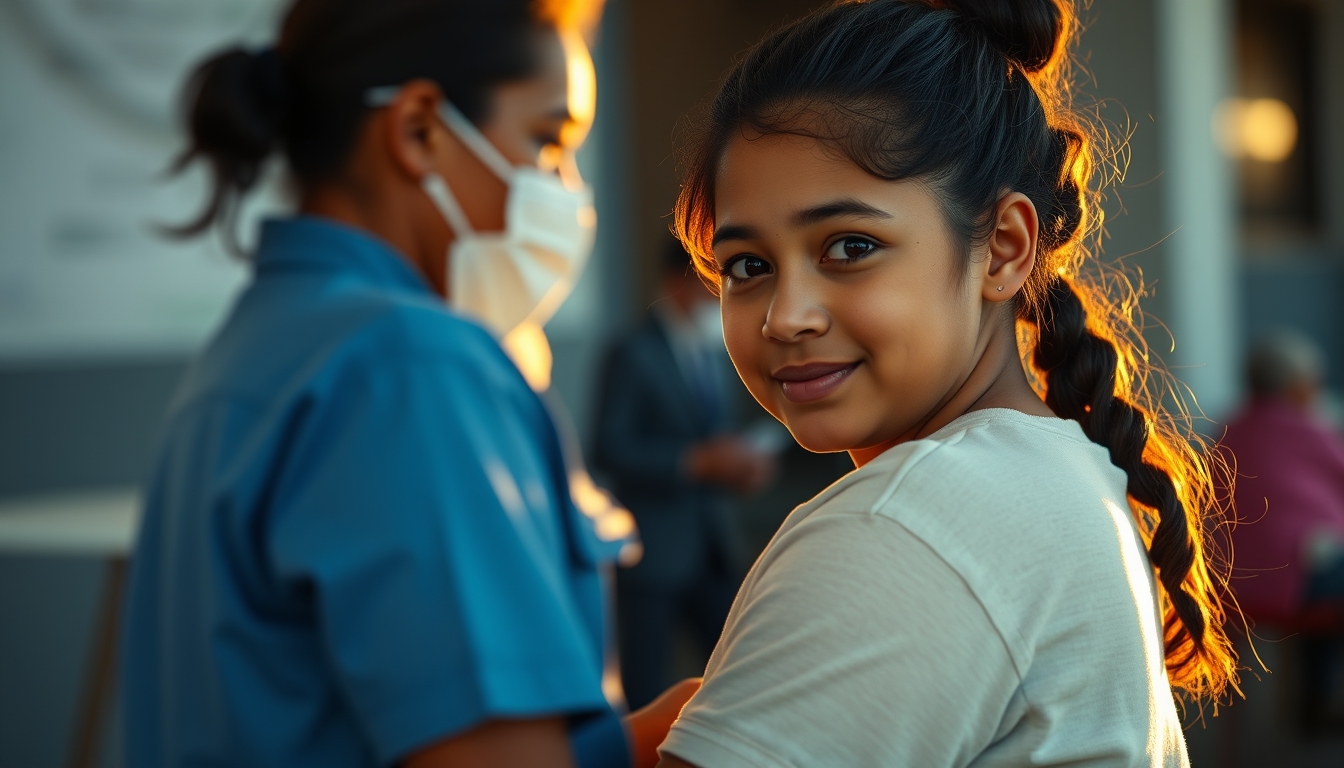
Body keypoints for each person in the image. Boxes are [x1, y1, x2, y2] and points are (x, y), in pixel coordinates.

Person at [653, 1, 1238, 765]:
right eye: (747, 266)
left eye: (849, 246)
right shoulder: (1050, 476)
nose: (785, 317)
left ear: (1002, 249)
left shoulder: (908, 525)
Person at [119, 2, 696, 767]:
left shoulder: (259, 346)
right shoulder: (410, 367)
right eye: (548, 142)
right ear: (420, 129)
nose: (567, 190)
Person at [592, 239, 776, 710]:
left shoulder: (712, 349)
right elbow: (608, 448)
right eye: (710, 279)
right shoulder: (632, 350)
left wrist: (737, 466)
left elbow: (718, 433)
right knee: (646, 683)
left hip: (712, 542)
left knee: (733, 673)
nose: (719, 293)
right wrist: (695, 462)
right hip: (653, 548)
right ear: (678, 279)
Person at [1219, 330, 1344, 622]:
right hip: (1291, 579)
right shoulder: (1308, 429)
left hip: (1233, 580)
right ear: (1298, 386)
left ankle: (1315, 669)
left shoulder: (1229, 431)